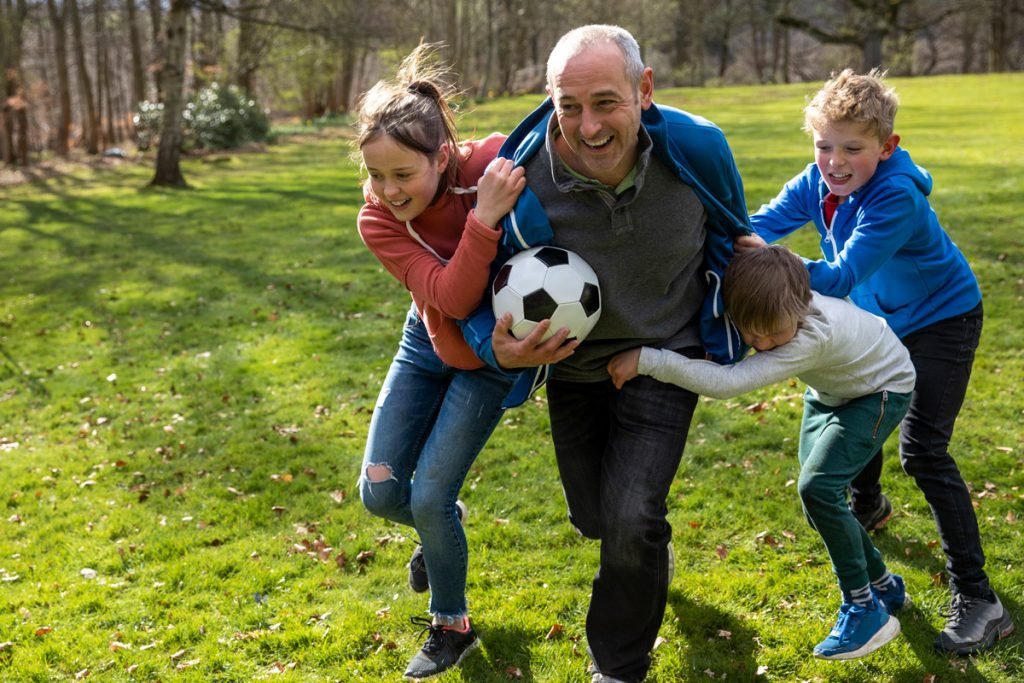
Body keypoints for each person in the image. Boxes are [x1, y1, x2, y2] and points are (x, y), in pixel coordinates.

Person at [460, 25, 753, 683]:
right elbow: (474, 273)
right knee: (597, 517)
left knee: (630, 514)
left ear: (644, 90)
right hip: (575, 367)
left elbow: (736, 234)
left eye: (604, 102)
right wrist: (495, 341)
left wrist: (767, 288)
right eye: (568, 105)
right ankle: (646, 551)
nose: (586, 126)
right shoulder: (520, 174)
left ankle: (617, 664)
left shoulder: (698, 149)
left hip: (664, 355)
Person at [736, 68, 1015, 655]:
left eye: (852, 149)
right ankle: (868, 504)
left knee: (924, 452)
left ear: (886, 147)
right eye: (823, 145)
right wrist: (727, 247)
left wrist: (770, 263)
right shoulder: (816, 181)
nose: (834, 162)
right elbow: (755, 227)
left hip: (942, 320)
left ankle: (980, 599)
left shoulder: (896, 196)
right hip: (880, 321)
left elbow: (839, 276)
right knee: (853, 402)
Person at [609, 245, 916, 660]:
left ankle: (863, 609)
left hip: (881, 388)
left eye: (773, 332)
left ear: (801, 306)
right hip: (831, 391)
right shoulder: (784, 295)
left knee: (818, 490)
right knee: (818, 503)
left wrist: (649, 360)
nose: (763, 342)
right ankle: (884, 585)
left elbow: (727, 383)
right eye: (752, 333)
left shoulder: (811, 337)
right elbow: (771, 266)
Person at [354, 43, 526, 679]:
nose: (390, 190)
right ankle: (440, 527)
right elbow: (450, 296)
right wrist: (483, 222)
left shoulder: (486, 165)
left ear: (443, 155)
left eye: (405, 174)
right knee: (379, 492)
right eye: (378, 175)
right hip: (427, 341)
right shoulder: (378, 221)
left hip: (492, 359)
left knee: (427, 493)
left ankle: (452, 625)